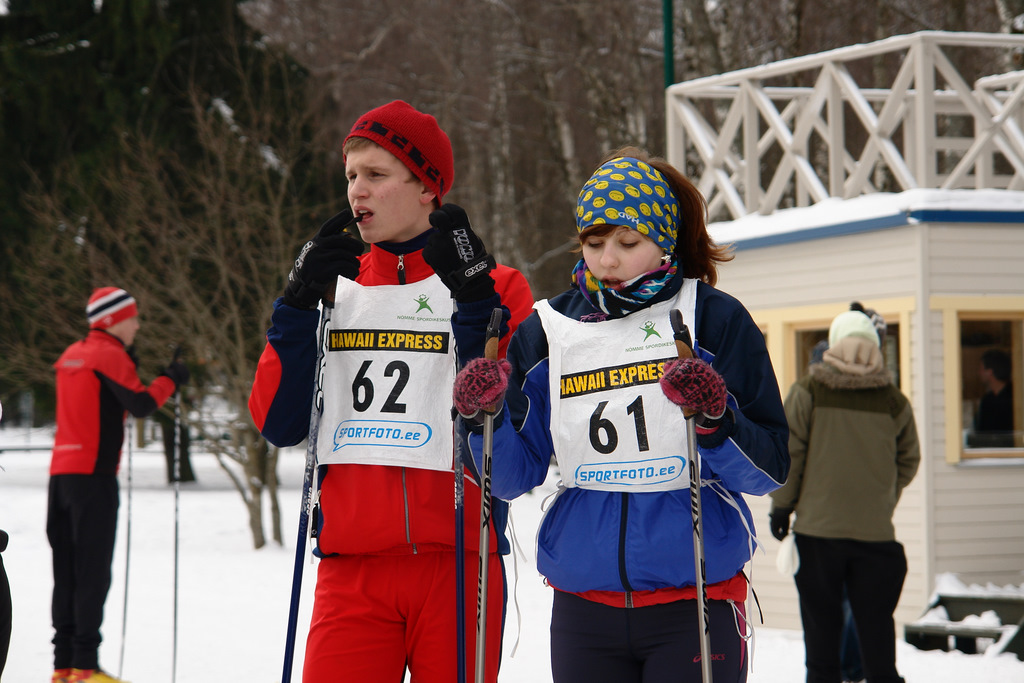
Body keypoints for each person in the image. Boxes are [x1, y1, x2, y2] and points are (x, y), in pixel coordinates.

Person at [451, 147, 790, 682]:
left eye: (627, 243)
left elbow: (769, 469)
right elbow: (512, 478)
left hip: (693, 601)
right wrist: (481, 417)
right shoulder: (550, 331)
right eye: (594, 243)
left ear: (664, 239)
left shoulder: (713, 319)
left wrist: (714, 421)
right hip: (585, 610)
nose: (607, 260)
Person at [248, 100, 533, 682]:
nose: (358, 190)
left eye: (376, 175)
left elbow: (511, 426)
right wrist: (296, 307)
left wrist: (476, 307)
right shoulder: (337, 287)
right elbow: (278, 422)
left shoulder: (496, 285)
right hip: (352, 566)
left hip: (458, 561)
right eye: (351, 175)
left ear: (428, 187)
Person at [769, 307, 920, 683]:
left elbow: (790, 456)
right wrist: (881, 498)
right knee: (878, 649)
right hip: (876, 539)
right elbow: (909, 460)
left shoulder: (808, 391)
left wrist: (782, 508)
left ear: (834, 344)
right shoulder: (894, 401)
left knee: (822, 649)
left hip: (818, 537)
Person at [48, 287, 190, 683]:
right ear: (114, 321)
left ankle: (63, 665)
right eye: (133, 318)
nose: (137, 325)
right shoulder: (108, 354)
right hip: (93, 479)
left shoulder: (72, 354)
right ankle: (85, 667)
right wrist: (171, 379)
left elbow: (99, 402)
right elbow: (141, 404)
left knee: (67, 573)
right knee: (93, 573)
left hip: (60, 477)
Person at [968, 349, 1014, 448]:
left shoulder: (1015, 400)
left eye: (981, 369)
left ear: (989, 372)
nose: (979, 373)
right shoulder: (987, 401)